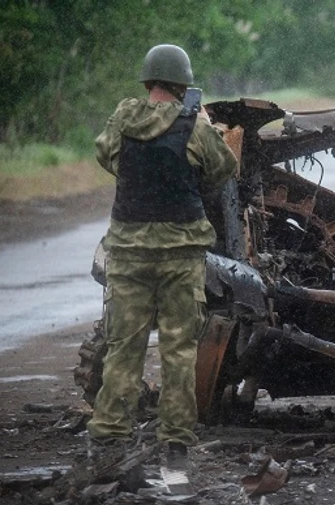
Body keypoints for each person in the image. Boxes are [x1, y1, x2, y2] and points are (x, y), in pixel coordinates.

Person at [86, 44, 238, 470]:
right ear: (183, 84)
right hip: (180, 257)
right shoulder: (194, 125)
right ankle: (175, 446)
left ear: (149, 80)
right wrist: (202, 124)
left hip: (128, 254)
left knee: (123, 349)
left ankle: (108, 442)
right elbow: (223, 169)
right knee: (179, 352)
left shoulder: (123, 117)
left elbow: (106, 155)